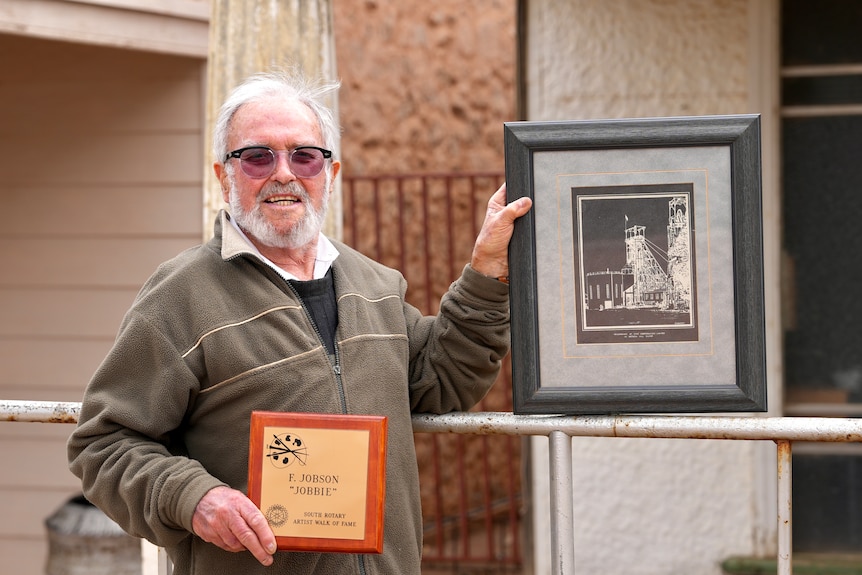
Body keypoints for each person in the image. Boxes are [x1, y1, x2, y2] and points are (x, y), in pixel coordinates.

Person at [67, 70, 532, 575]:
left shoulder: (375, 284)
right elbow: (104, 443)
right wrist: (195, 499)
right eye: (258, 157)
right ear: (224, 176)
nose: (284, 174)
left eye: (304, 155)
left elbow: (441, 379)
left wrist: (487, 271)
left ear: (330, 174)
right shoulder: (180, 295)